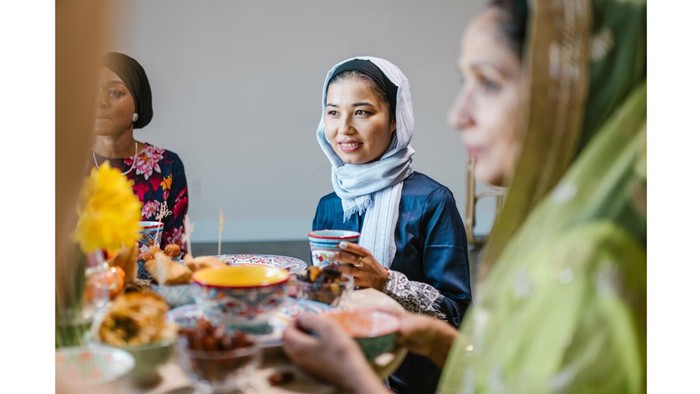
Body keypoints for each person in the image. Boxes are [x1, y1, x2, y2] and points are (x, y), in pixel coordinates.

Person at [283, 0, 647, 392]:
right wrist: (438, 341)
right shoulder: (549, 235)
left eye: (489, 82)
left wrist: (359, 368)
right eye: (332, 112)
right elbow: (503, 371)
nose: (457, 115)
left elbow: (458, 308)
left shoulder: (589, 267)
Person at [310, 56, 472, 393]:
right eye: (333, 112)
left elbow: (457, 315)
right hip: (339, 373)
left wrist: (385, 282)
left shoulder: (431, 202)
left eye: (363, 112)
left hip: (410, 380)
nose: (344, 128)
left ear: (396, 119)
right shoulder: (329, 206)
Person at [92, 52, 189, 258]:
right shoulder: (62, 167)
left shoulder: (167, 167)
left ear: (137, 102)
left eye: (114, 92)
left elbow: (176, 252)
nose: (99, 102)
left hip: (148, 287)